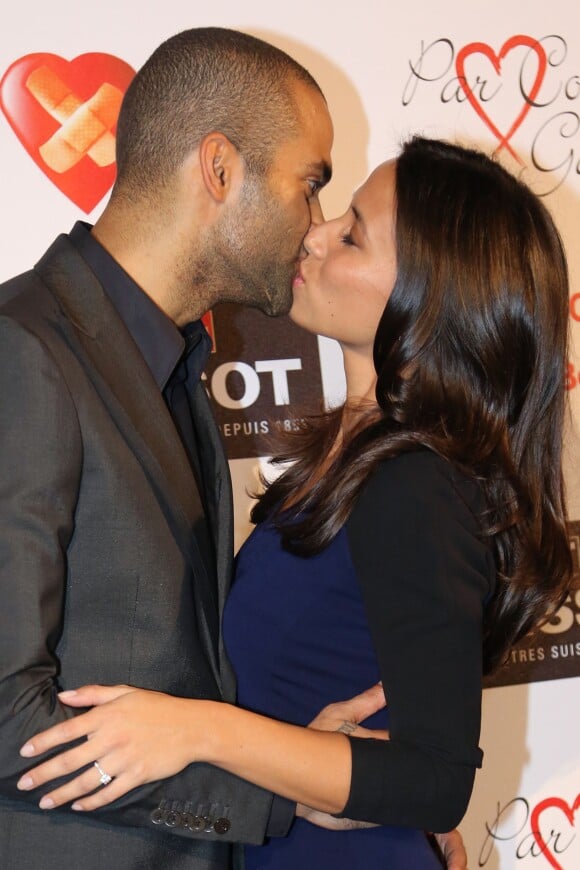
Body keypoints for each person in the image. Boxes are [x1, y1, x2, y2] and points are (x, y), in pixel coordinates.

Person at [14, 136, 574, 868]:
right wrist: (298, 763)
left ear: (428, 302)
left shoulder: (417, 485)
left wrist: (197, 730)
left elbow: (433, 780)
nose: (312, 233)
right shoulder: (349, 466)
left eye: (351, 234)